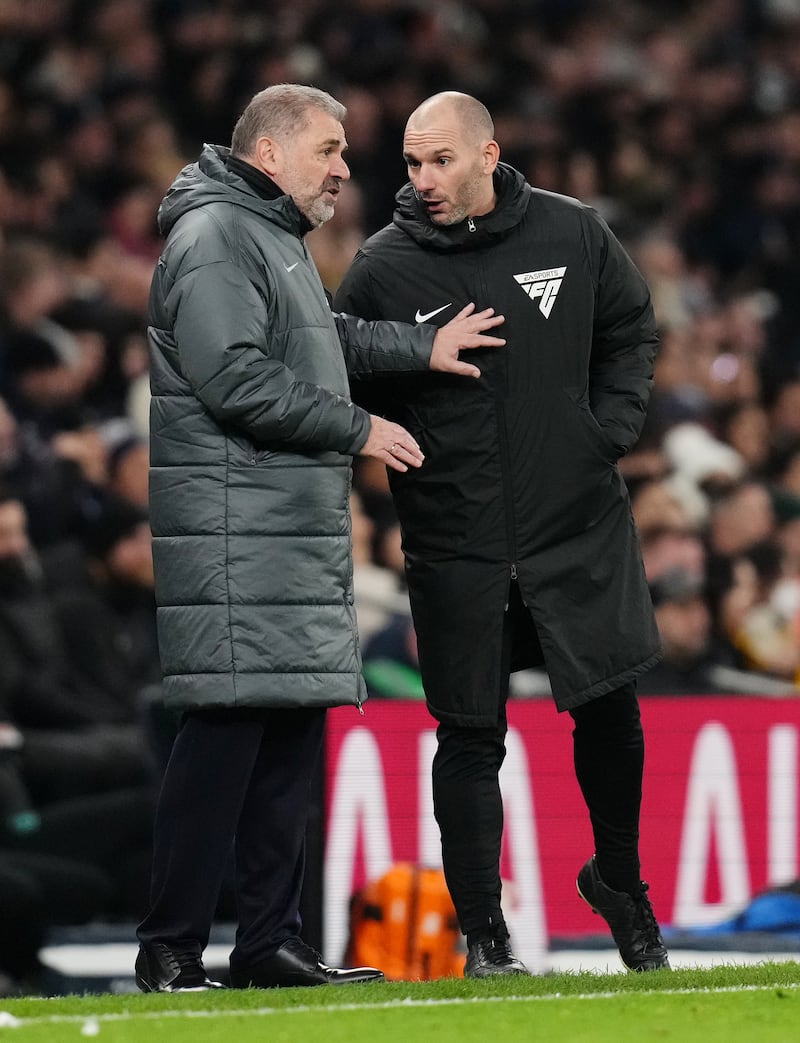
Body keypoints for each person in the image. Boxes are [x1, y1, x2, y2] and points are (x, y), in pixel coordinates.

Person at [135, 83, 505, 994]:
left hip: (279, 532)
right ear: (271, 155)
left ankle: (270, 941)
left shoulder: (263, 237)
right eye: (329, 150)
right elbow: (234, 378)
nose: (346, 168)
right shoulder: (216, 236)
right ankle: (171, 945)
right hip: (236, 530)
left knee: (288, 739)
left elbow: (317, 340)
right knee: (225, 735)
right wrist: (359, 428)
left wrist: (417, 348)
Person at [334, 91, 670, 976]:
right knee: (470, 733)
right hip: (459, 534)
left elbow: (631, 327)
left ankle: (623, 890)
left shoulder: (572, 233)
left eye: (441, 160)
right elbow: (331, 359)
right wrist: (409, 353)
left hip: (575, 524)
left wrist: (607, 429)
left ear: (490, 154)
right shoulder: (382, 265)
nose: (423, 180)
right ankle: (484, 936)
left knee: (610, 706)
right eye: (411, 163)